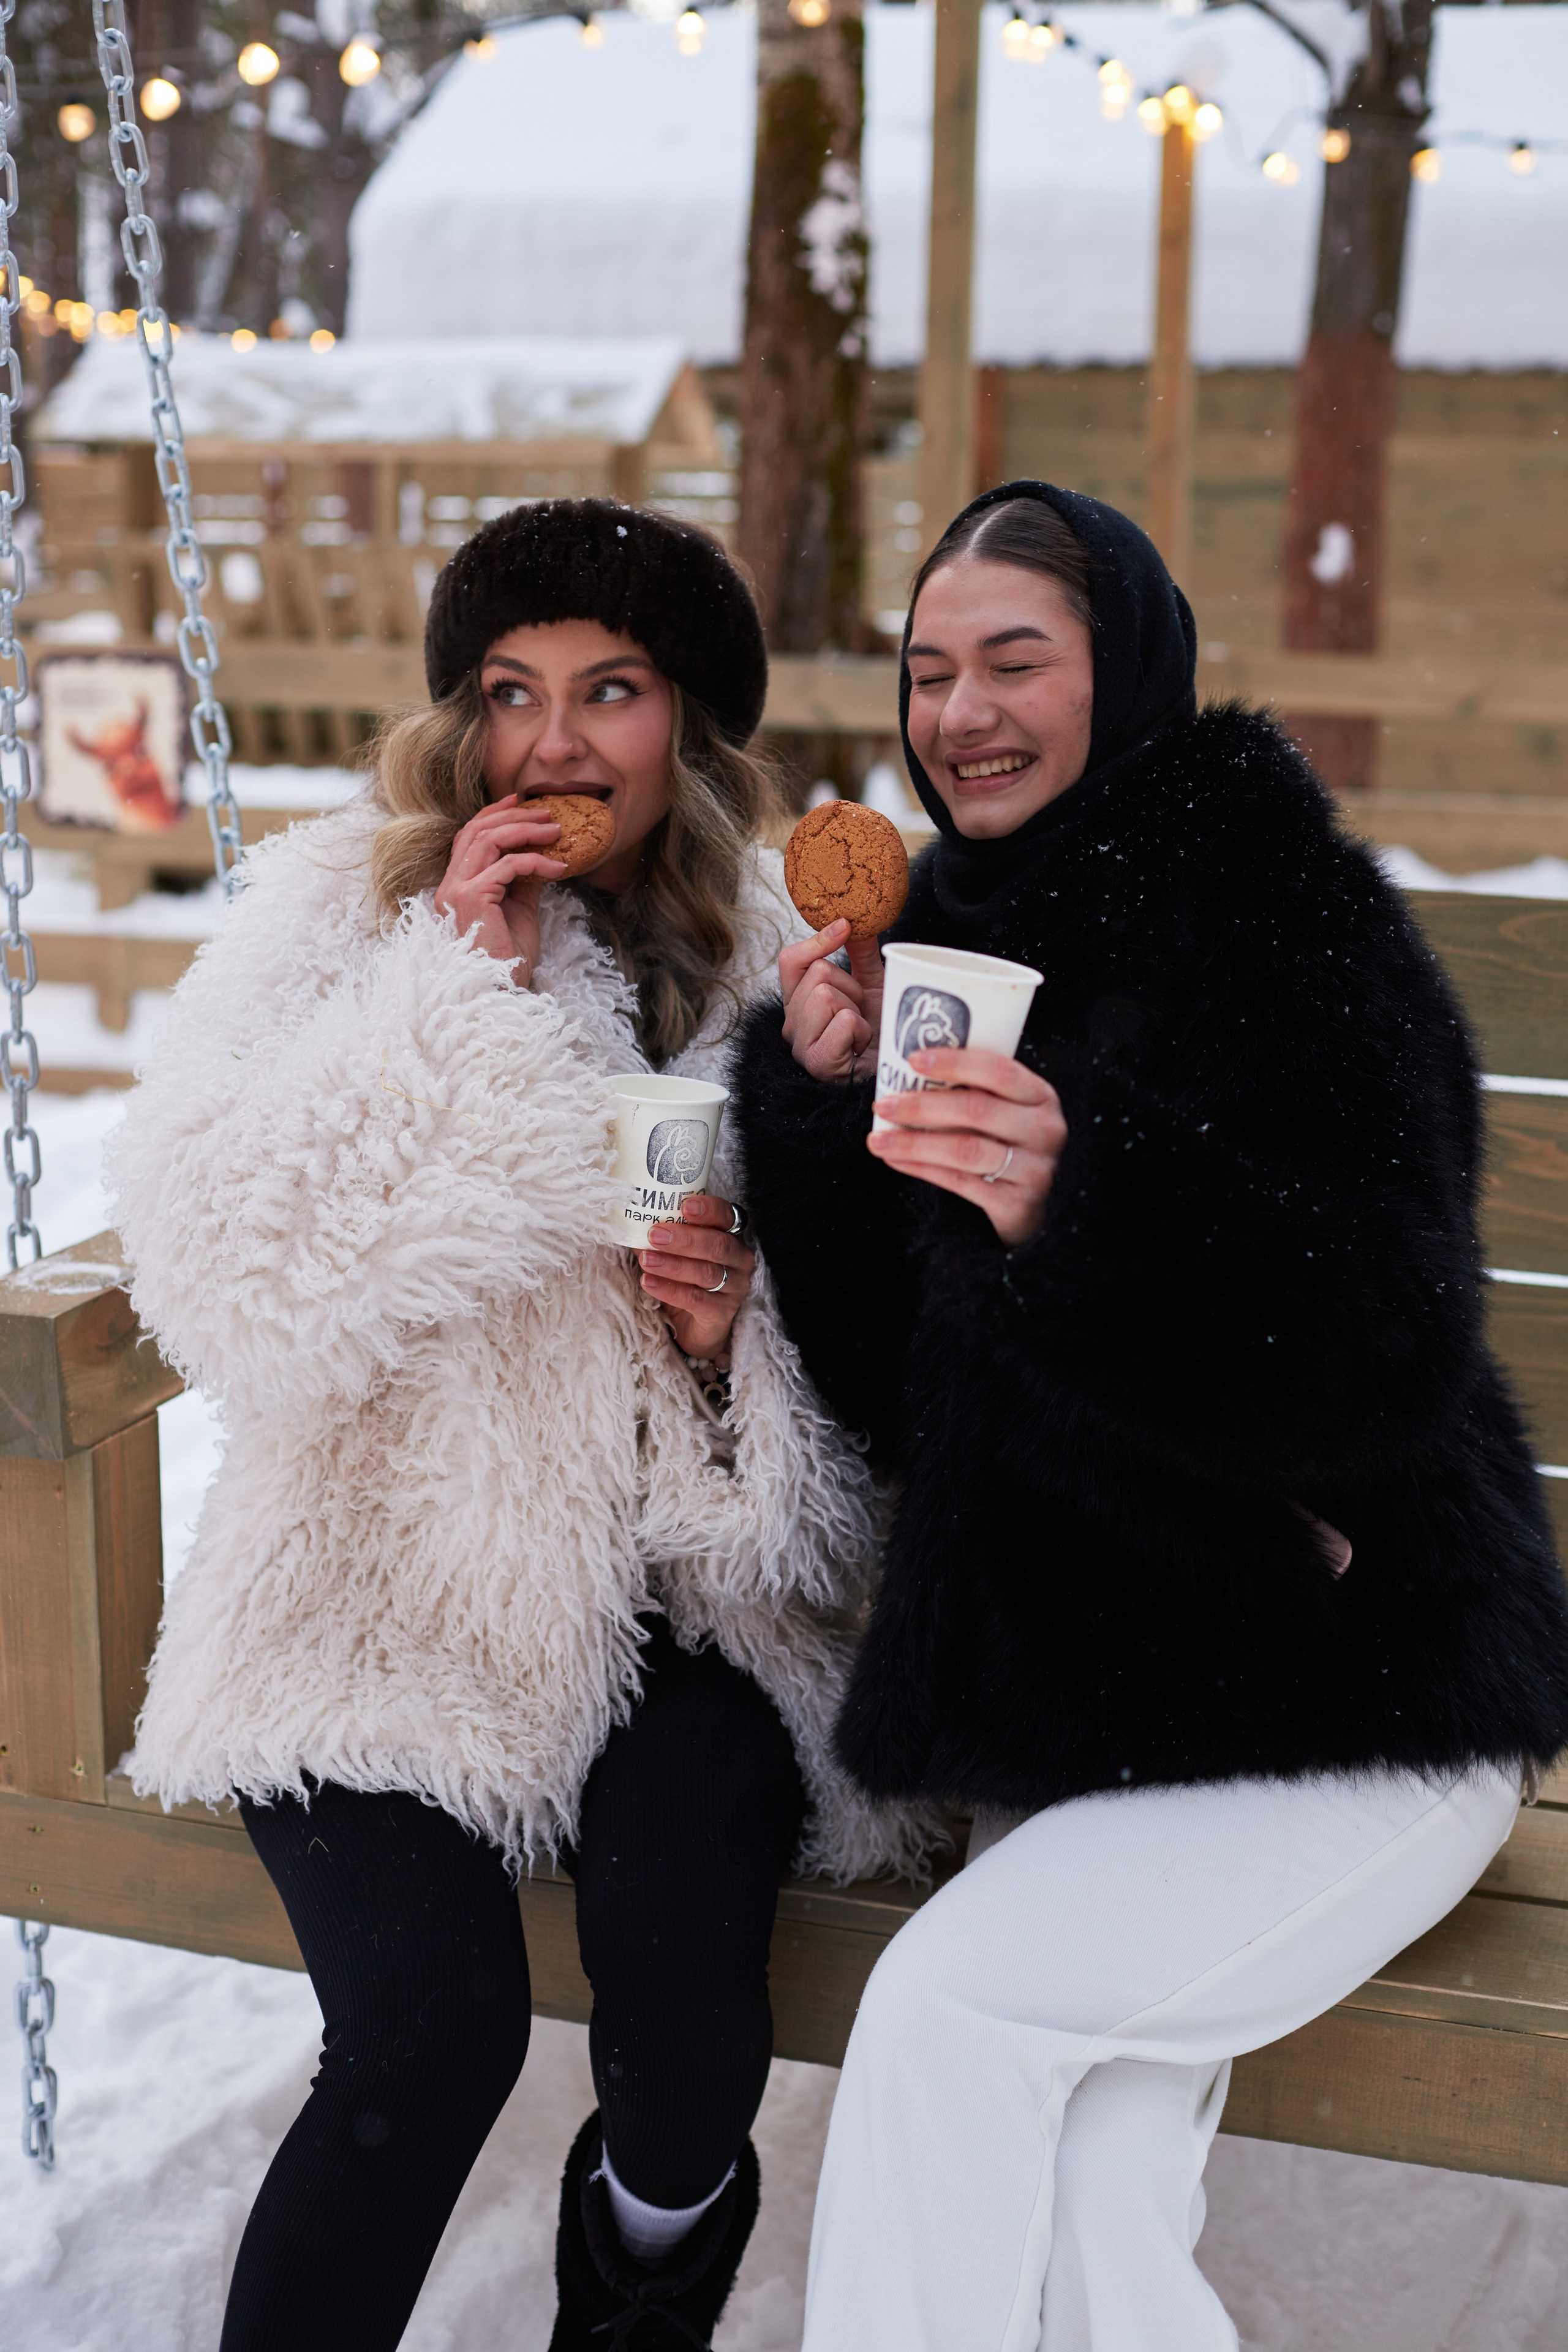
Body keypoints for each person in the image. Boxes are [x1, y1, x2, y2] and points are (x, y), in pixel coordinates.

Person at [733, 481, 1568, 2350]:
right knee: (1094, 2198)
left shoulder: (1286, 921)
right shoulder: (942, 946)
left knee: (952, 2019)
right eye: (929, 670)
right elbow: (895, 1393)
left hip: (1362, 1688)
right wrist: (822, 1109)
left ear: (1128, 667)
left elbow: (1391, 1342)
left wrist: (1086, 1199)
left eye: (1016, 661)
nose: (961, 714)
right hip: (1104, 1700)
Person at [109, 499, 921, 2352]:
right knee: (431, 2027)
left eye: (610, 690)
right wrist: (448, 994)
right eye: (510, 691)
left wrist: (724, 1346)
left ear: (687, 718)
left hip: (690, 1608)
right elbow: (224, 1272)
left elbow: (878, 1356)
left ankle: (636, 2287)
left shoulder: (784, 955)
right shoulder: (345, 917)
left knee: (689, 2026)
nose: (553, 745)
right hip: (377, 1592)